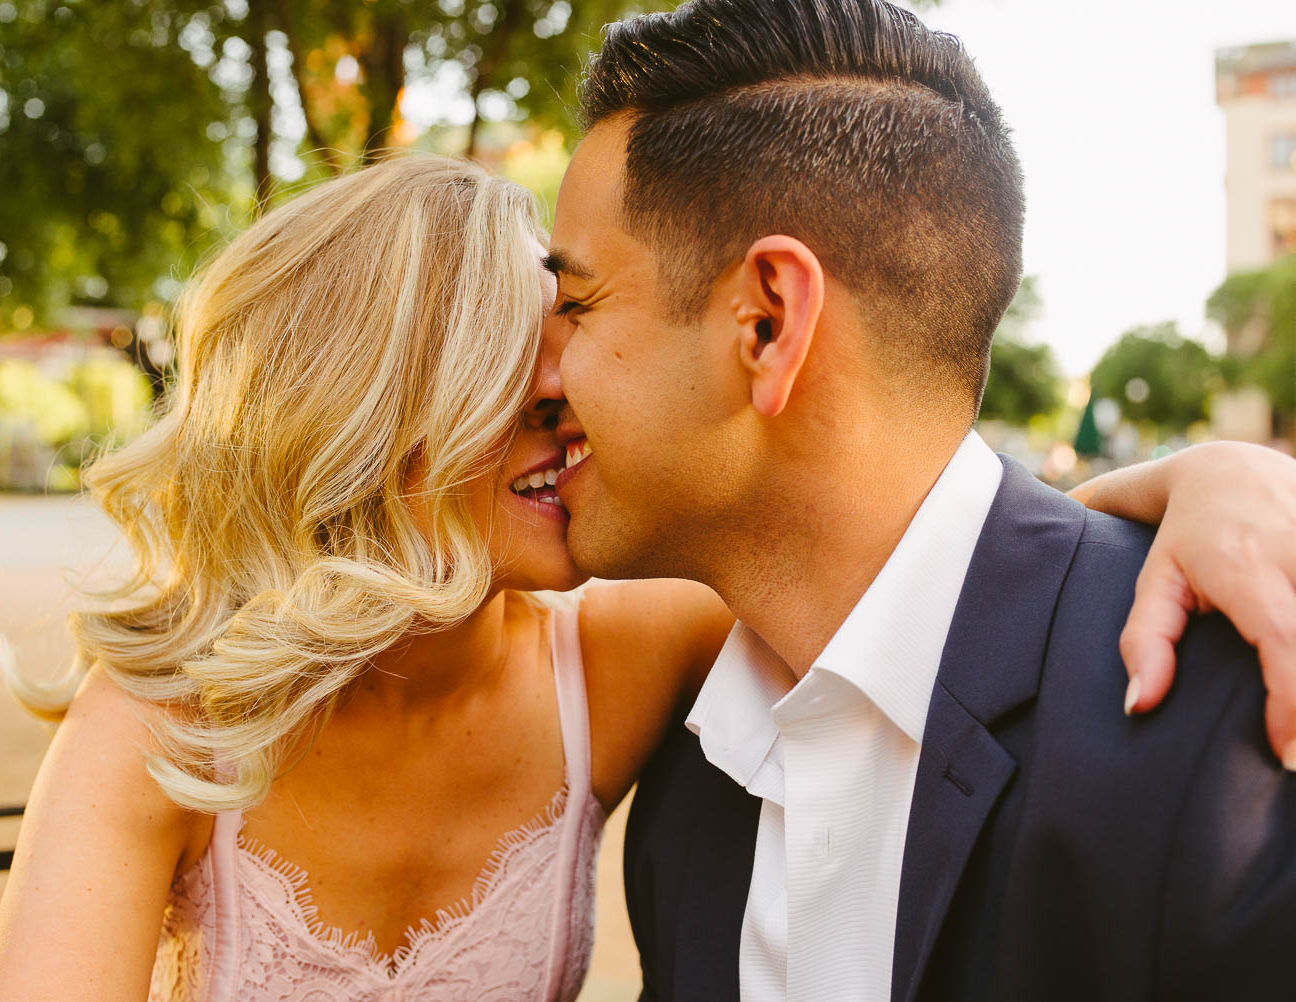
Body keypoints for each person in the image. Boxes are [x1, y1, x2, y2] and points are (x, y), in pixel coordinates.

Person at [0, 129, 1293, 1002]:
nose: (567, 397)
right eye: (520, 361)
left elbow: (904, 553)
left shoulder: (630, 650)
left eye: (576, 331)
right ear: (374, 410)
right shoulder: (167, 724)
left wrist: (1205, 480)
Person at [537, 0, 1296, 999]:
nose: (536, 376)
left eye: (578, 304)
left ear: (768, 322)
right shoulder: (691, 778)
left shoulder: (1224, 742)